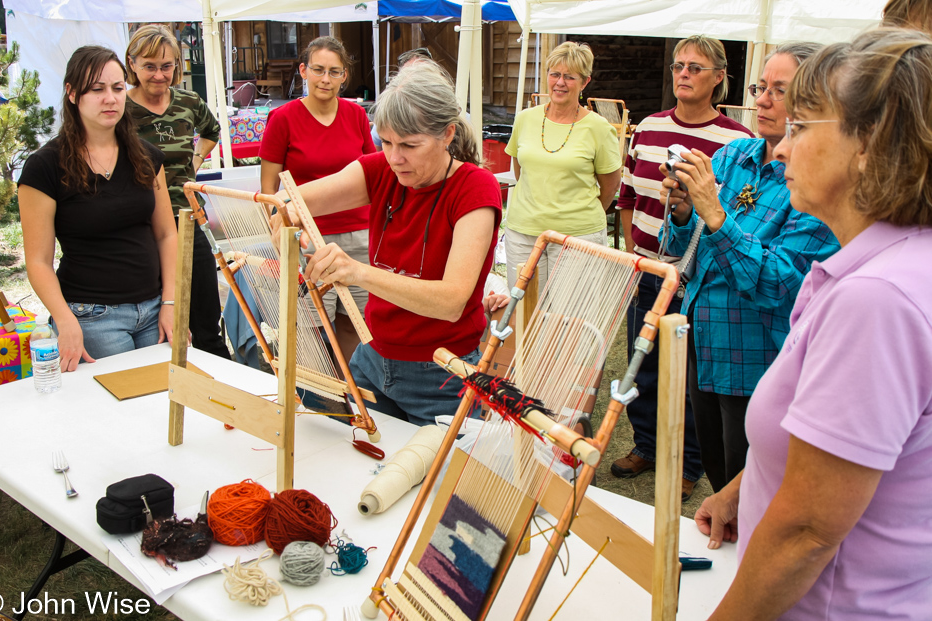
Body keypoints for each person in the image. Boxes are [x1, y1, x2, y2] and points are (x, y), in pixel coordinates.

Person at [696, 28, 932, 619]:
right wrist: (745, 487)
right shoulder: (894, 263)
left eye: (802, 126)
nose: (780, 149)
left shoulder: (876, 298)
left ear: (870, 144)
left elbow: (807, 533)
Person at [272, 63, 501, 426]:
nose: (396, 158)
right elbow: (289, 202)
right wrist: (285, 220)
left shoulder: (474, 188)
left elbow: (452, 301)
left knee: (435, 481)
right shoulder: (381, 171)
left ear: (447, 135)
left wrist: (357, 272)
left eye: (410, 145)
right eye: (387, 142)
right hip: (373, 360)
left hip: (441, 373)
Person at [659, 42, 840, 494]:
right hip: (704, 341)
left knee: (755, 490)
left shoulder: (816, 182)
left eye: (780, 91)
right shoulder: (733, 156)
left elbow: (779, 282)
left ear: (816, 102)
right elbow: (686, 252)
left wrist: (715, 214)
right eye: (761, 87)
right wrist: (682, 213)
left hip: (759, 356)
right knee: (719, 477)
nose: (761, 100)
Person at [611, 35, 754, 502]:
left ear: (719, 77)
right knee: (643, 365)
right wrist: (637, 249)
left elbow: (734, 217)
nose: (684, 73)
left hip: (700, 280)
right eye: (679, 65)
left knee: (693, 376)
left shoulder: (738, 141)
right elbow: (628, 195)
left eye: (696, 67)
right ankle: (647, 446)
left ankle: (690, 462)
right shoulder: (649, 126)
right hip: (649, 269)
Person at [18, 46, 176, 371]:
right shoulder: (44, 166)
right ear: (72, 93)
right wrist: (65, 320)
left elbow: (166, 235)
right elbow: (37, 261)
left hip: (155, 308)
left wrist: (172, 302)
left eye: (118, 88)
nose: (111, 99)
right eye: (97, 89)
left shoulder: (147, 156)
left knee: (166, 406)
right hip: (91, 316)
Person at [260, 36, 375, 364]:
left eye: (334, 72)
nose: (326, 79)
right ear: (304, 71)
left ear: (344, 77)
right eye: (318, 70)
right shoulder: (283, 119)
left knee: (355, 318)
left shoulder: (356, 116)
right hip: (308, 238)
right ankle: (317, 390)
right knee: (309, 324)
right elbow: (270, 188)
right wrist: (281, 235)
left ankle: (349, 387)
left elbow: (374, 174)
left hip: (359, 235)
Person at [124, 24, 230, 360]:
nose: (159, 75)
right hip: (142, 226)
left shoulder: (187, 101)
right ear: (132, 63)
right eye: (150, 66)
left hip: (188, 219)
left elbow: (212, 130)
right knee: (159, 322)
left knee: (206, 322)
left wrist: (196, 159)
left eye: (167, 66)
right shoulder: (120, 110)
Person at [504, 41, 622, 290]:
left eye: (569, 77)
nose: (560, 82)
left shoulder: (599, 128)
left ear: (585, 82)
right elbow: (521, 170)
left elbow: (610, 186)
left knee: (568, 321)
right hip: (523, 233)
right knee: (525, 314)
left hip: (577, 239)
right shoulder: (525, 119)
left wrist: (575, 215)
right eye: (555, 74)